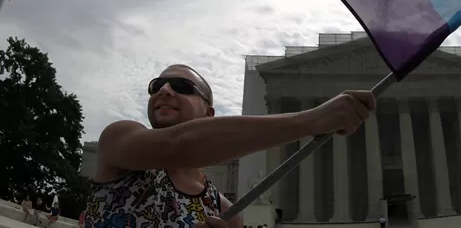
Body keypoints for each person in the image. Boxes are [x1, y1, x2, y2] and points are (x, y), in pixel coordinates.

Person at [87, 64, 375, 227]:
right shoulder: (119, 140)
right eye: (157, 85)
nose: (164, 90)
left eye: (182, 87)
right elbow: (179, 144)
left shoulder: (223, 210)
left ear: (208, 114)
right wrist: (311, 121)